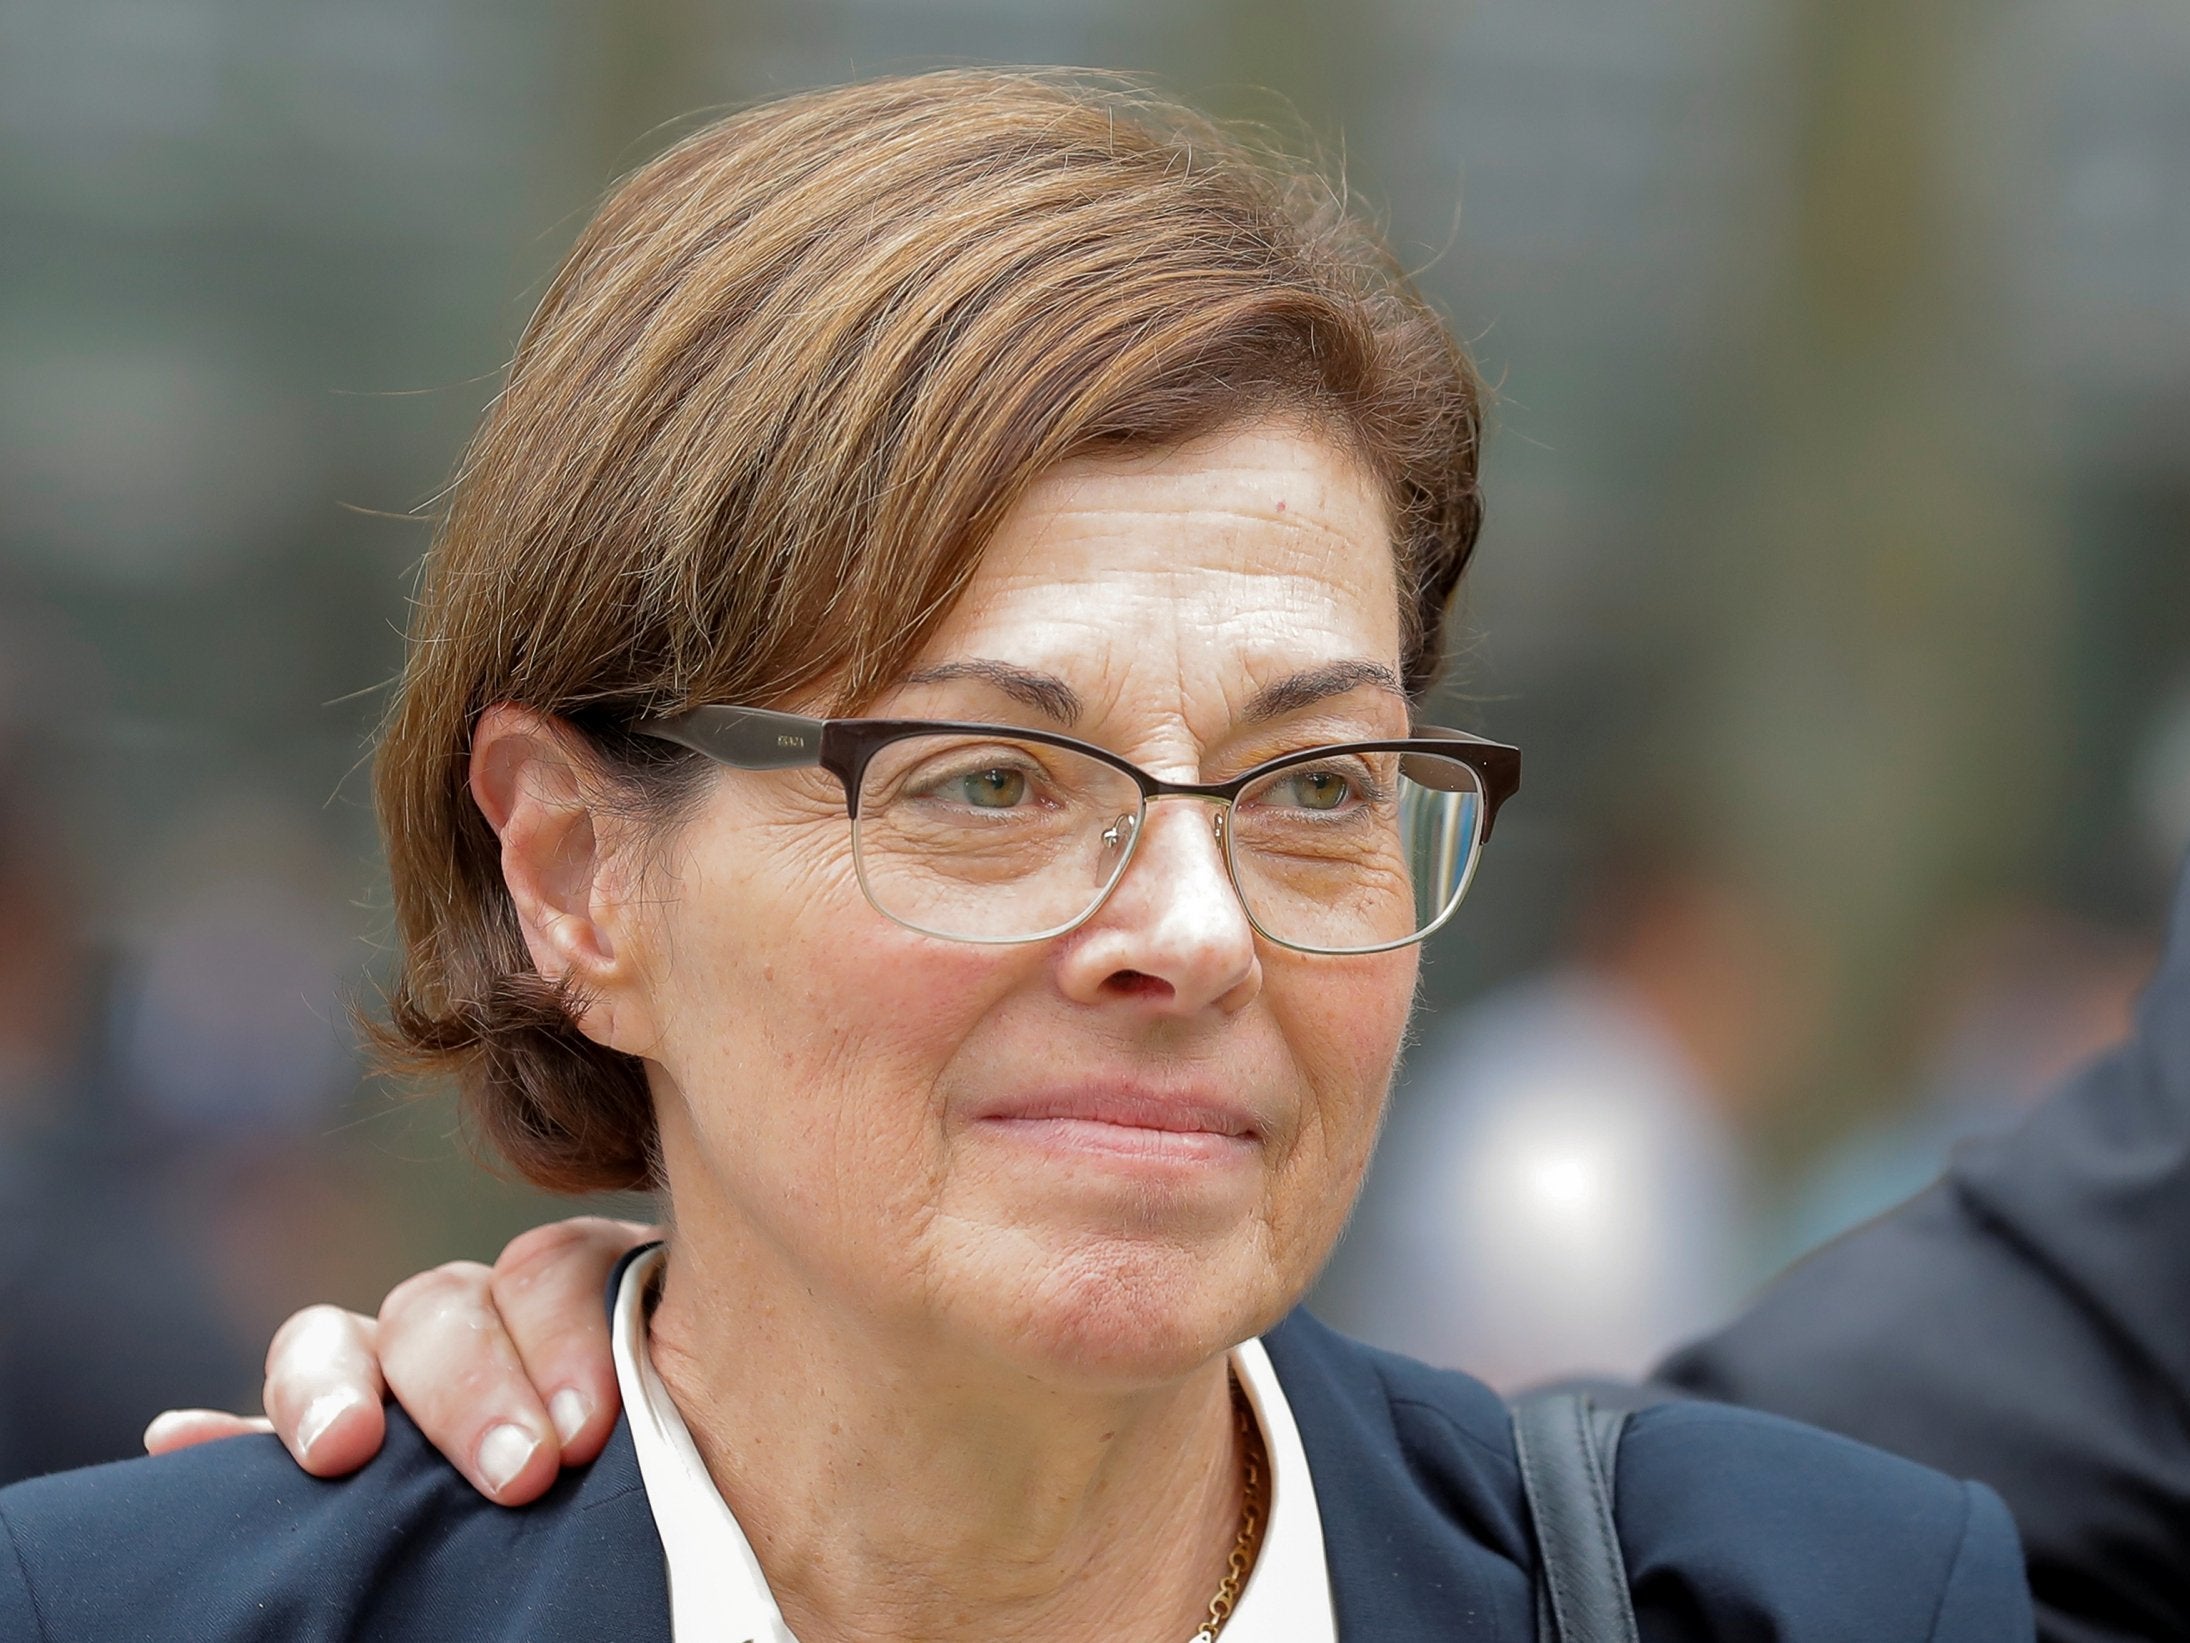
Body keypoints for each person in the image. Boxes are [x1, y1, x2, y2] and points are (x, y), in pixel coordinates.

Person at [17, 71, 2030, 1642]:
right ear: (575, 874)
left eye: (1317, 785)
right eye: (987, 782)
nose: (1189, 931)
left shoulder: (1817, 1605)